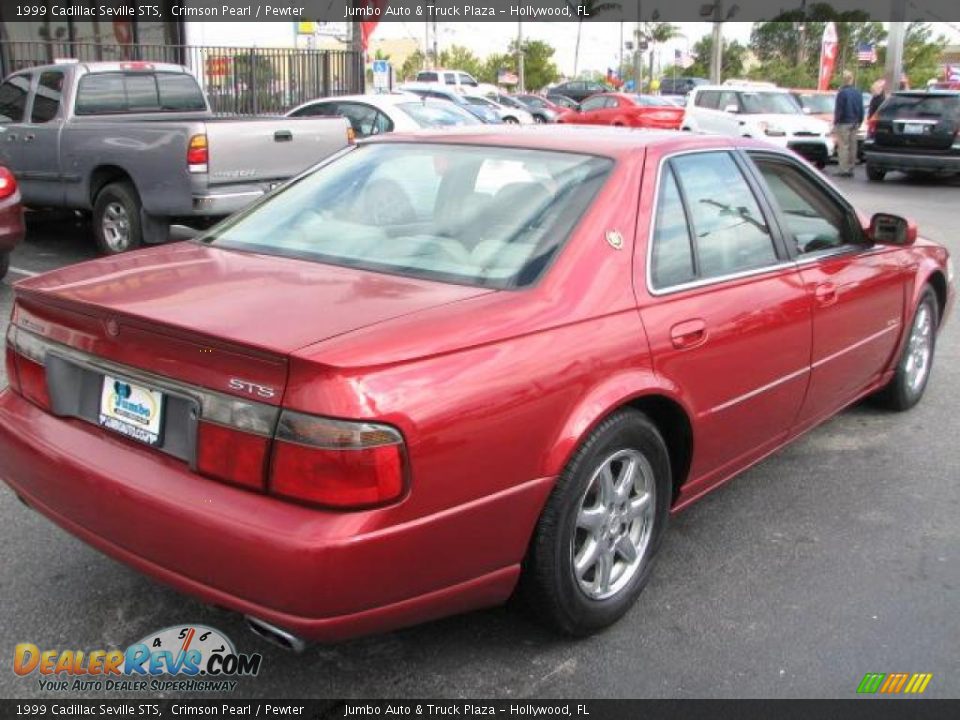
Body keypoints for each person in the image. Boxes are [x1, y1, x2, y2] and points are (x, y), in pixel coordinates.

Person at [833, 70, 864, 177]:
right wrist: (860, 120)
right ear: (852, 80)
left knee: (843, 146)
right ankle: (851, 167)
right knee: (853, 145)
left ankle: (843, 169)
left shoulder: (842, 93)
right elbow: (861, 108)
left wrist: (836, 122)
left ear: (844, 80)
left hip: (844, 122)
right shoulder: (858, 93)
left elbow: (839, 109)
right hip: (855, 122)